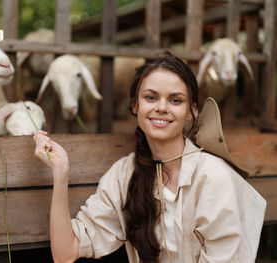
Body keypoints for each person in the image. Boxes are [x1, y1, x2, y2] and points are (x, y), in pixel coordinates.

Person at [33, 51, 266, 263]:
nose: (162, 107)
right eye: (151, 97)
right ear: (135, 106)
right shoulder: (124, 174)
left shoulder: (212, 177)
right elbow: (65, 253)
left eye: (175, 100)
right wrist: (61, 173)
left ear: (190, 112)